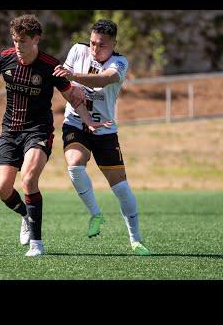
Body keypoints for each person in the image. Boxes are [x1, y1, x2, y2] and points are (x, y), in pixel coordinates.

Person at [0, 14, 102, 257]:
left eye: (23, 41)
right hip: (10, 131)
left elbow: (72, 97)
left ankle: (37, 244)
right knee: (2, 187)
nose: (18, 46)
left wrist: (88, 121)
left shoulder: (50, 66)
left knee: (28, 180)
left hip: (38, 131)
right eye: (15, 40)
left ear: (36, 39)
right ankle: (26, 216)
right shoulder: (5, 58)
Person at [53, 19, 151, 256]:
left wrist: (73, 76)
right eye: (93, 43)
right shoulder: (78, 50)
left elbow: (104, 79)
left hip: (105, 130)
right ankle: (96, 214)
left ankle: (136, 240)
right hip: (76, 122)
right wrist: (67, 81)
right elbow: (61, 80)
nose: (95, 49)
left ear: (114, 44)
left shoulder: (120, 62)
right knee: (75, 164)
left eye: (102, 45)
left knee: (121, 188)